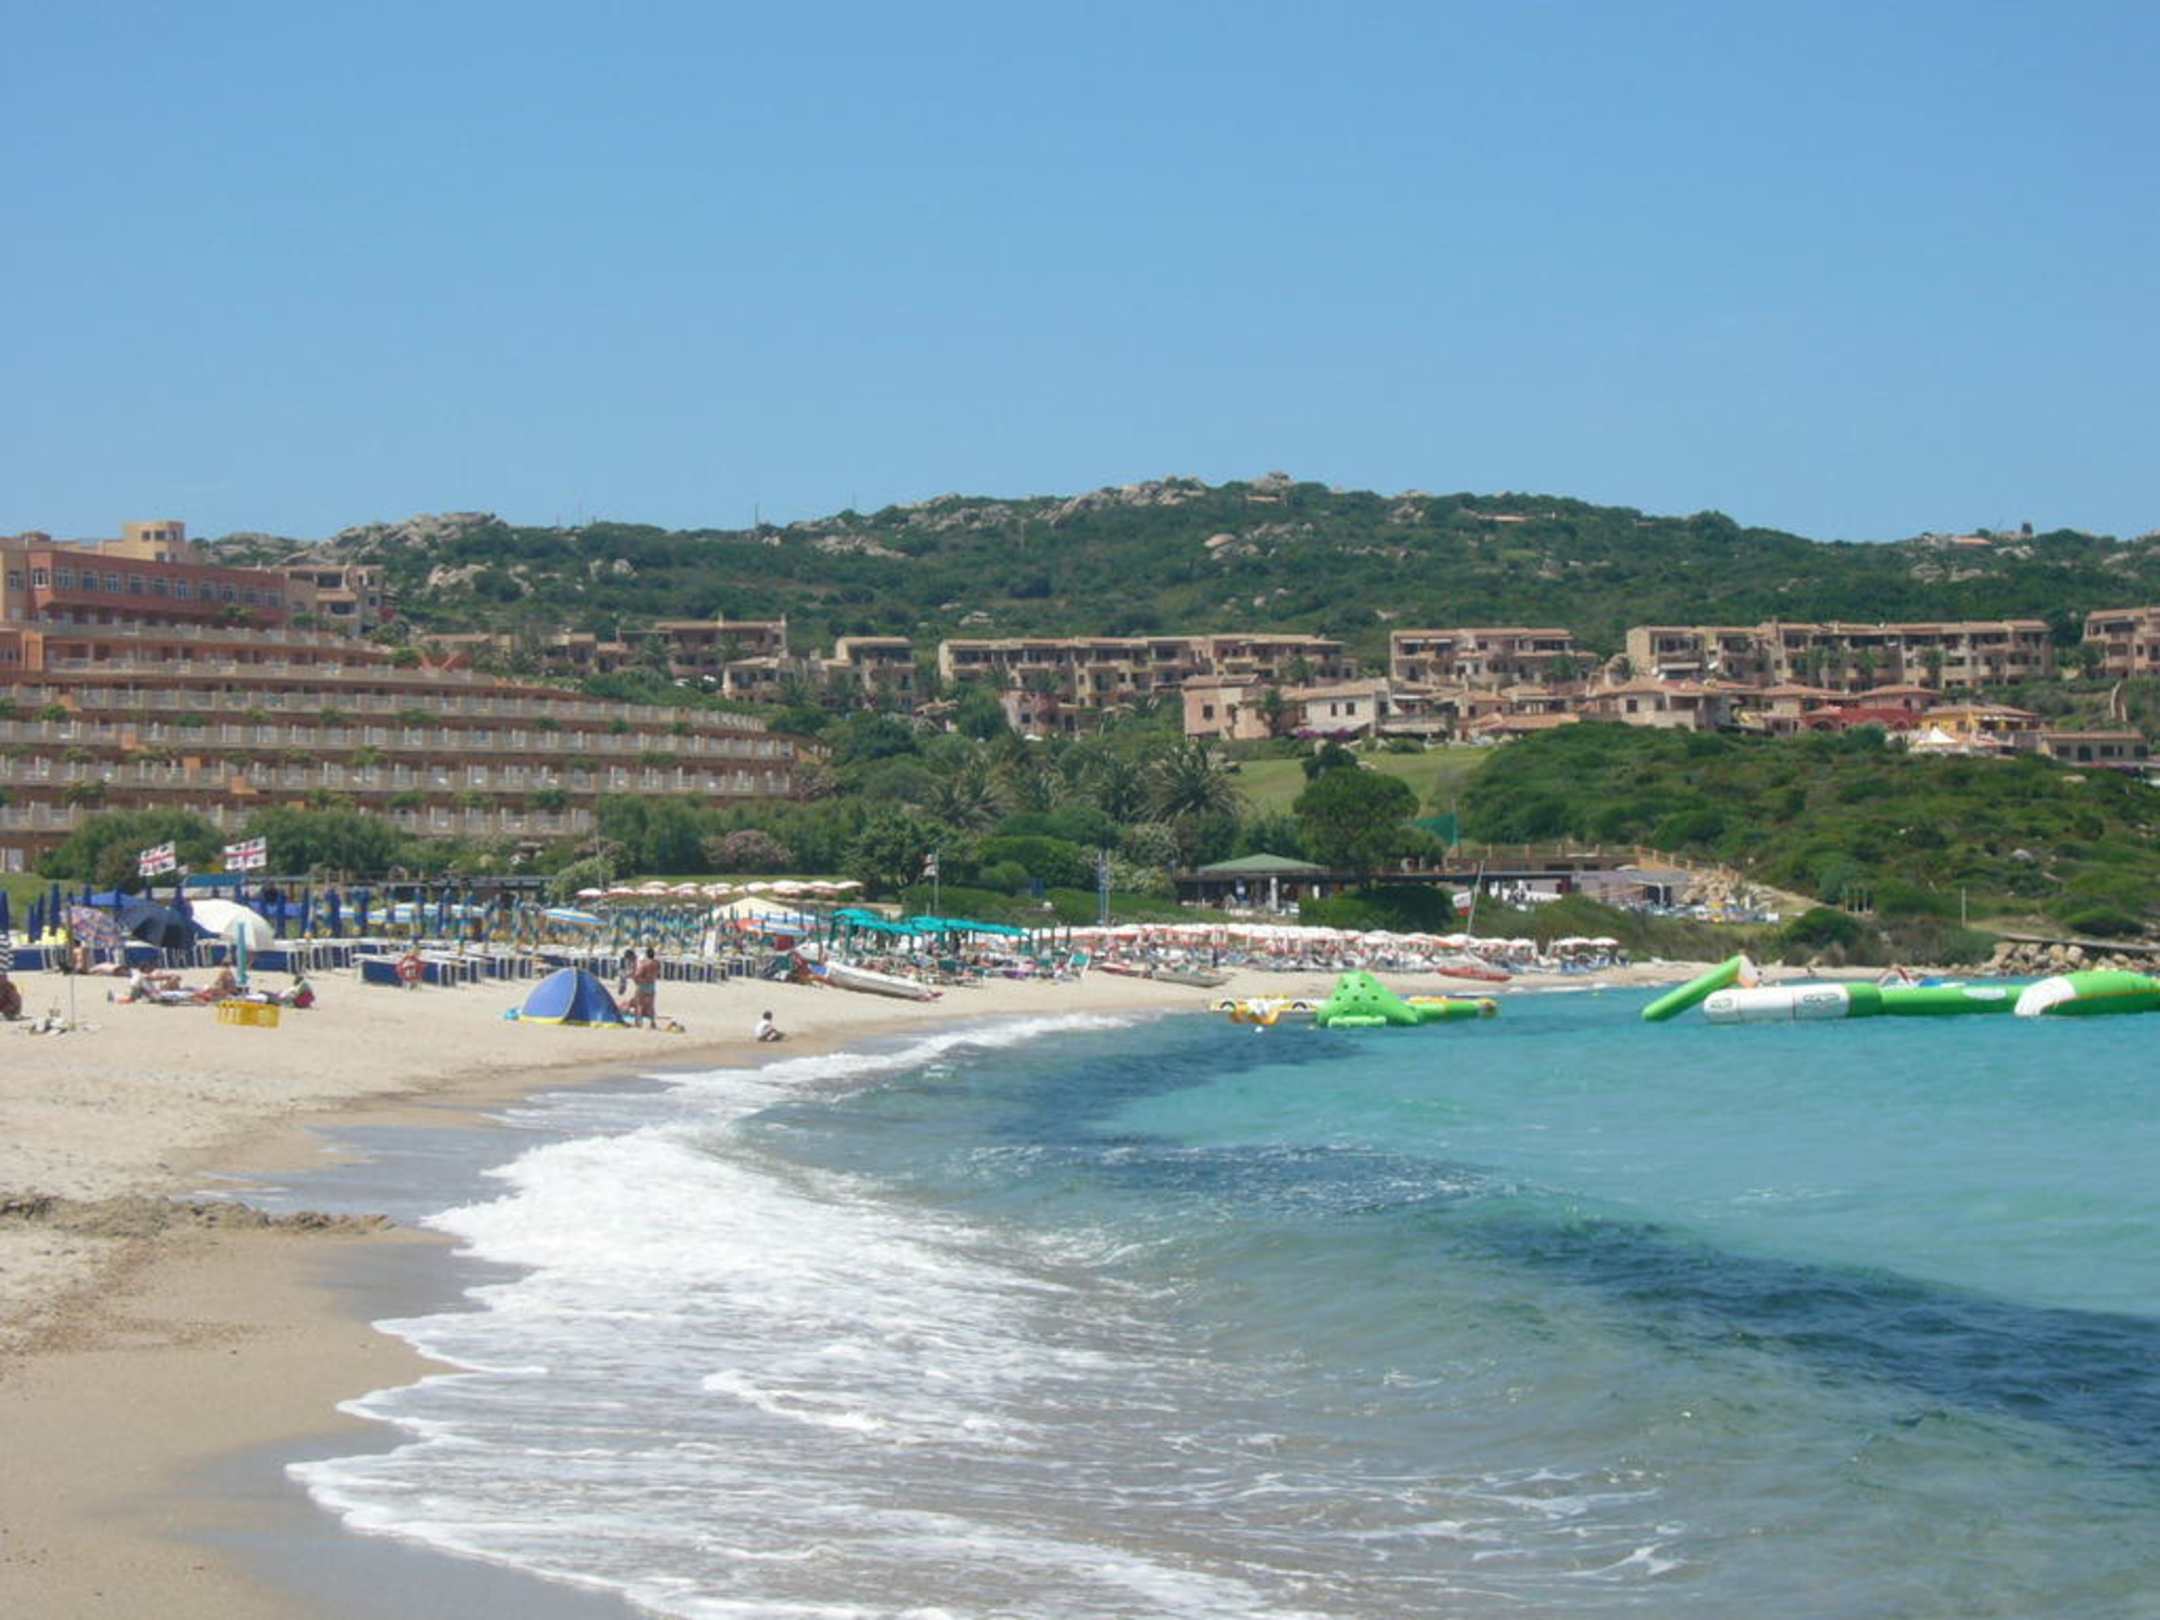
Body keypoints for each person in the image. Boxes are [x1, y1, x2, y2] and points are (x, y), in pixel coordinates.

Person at [631, 947, 660, 1029]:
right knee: (651, 1006)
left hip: (643, 985)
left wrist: (635, 979)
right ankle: (652, 1023)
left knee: (639, 1004)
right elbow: (657, 973)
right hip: (652, 985)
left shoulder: (645, 964)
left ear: (646, 955)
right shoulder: (657, 963)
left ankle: (639, 1023)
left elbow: (638, 975)